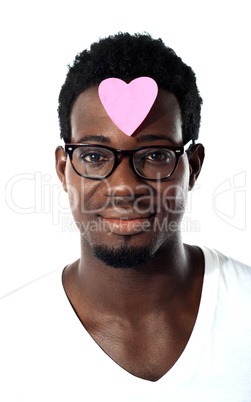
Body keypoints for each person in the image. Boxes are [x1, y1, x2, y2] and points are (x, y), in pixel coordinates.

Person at [1, 32, 251, 401]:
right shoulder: (9, 337)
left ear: (193, 168)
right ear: (62, 168)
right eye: (94, 156)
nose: (123, 186)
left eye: (154, 155)